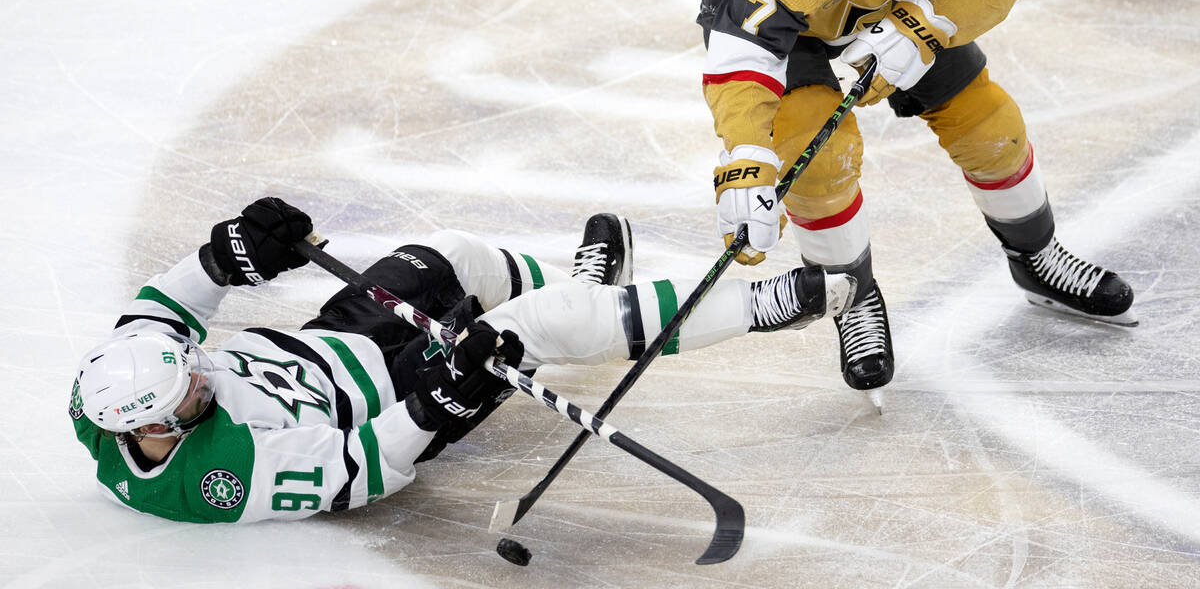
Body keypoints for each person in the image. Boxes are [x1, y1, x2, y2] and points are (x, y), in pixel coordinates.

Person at [696, 0, 1134, 396]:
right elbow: (743, 61)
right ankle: (851, 294)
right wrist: (747, 155)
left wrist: (926, 22)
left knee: (990, 125)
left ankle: (1038, 257)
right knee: (818, 155)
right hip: (781, 14)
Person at [70, 197, 854, 523]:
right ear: (157, 431)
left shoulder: (122, 380)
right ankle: (763, 306)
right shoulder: (219, 480)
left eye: (192, 366)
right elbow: (358, 470)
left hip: (334, 338)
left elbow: (161, 310)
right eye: (191, 391)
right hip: (396, 403)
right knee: (531, 329)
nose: (201, 371)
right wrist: (436, 404)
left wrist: (231, 254)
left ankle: (590, 293)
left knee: (454, 255)